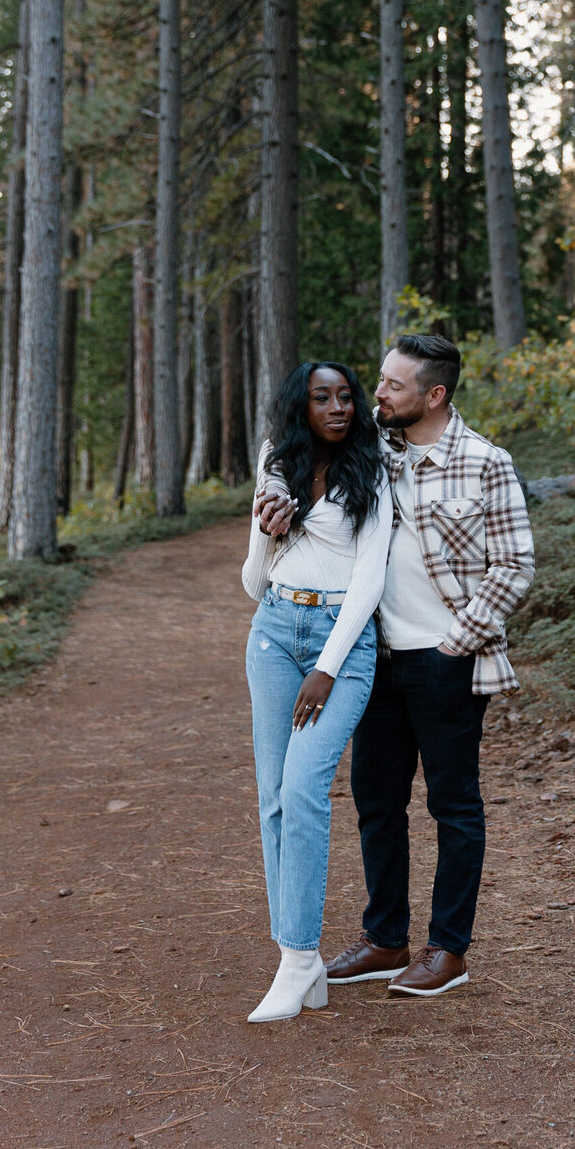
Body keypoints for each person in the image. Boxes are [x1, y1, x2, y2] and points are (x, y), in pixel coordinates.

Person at [260, 333, 535, 999]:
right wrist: (275, 519)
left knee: (453, 805)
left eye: (392, 385)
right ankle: (386, 938)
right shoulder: (371, 454)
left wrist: (456, 640)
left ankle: (448, 949)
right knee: (376, 803)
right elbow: (310, 494)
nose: (374, 394)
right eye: (377, 381)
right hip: (372, 655)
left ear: (434, 395)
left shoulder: (484, 462)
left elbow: (516, 564)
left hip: (448, 662)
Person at [241, 361, 391, 1023]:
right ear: (298, 407)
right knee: (273, 798)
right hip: (274, 631)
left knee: (304, 791)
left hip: (342, 644)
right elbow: (252, 581)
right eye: (320, 397)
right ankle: (298, 962)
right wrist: (268, 534)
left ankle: (299, 958)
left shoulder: (375, 461)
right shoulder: (278, 460)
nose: (336, 406)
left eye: (345, 396)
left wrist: (328, 665)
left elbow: (369, 577)